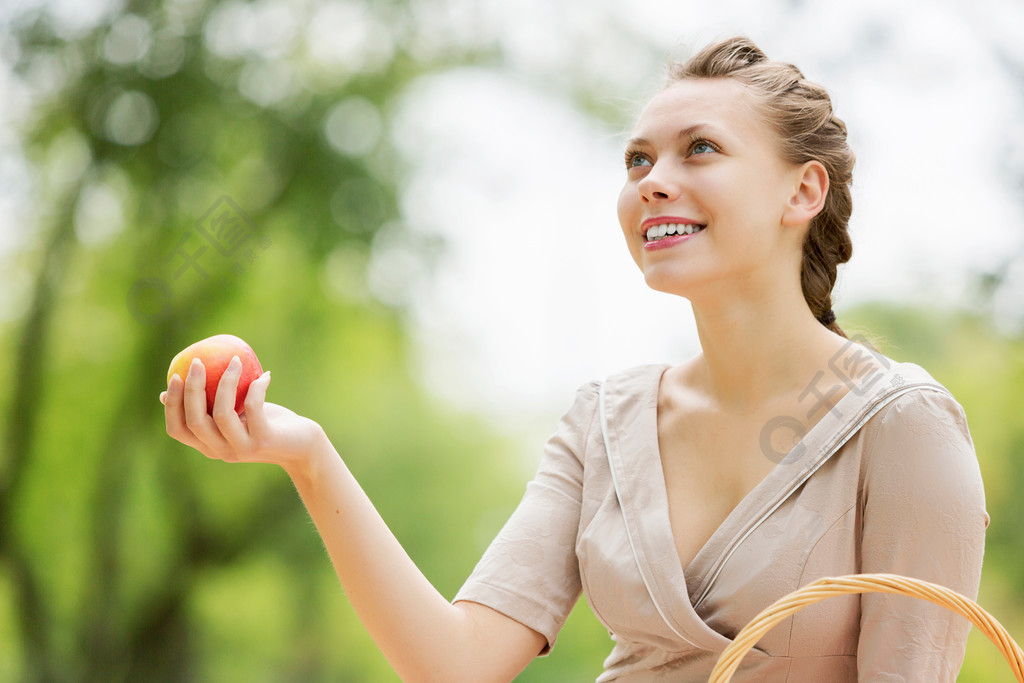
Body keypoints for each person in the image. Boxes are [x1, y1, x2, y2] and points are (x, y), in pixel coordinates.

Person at [162, 36, 988, 681]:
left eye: (700, 148)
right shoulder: (605, 423)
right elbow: (454, 663)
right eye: (638, 159)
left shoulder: (903, 428)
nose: (653, 181)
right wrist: (306, 453)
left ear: (801, 192)